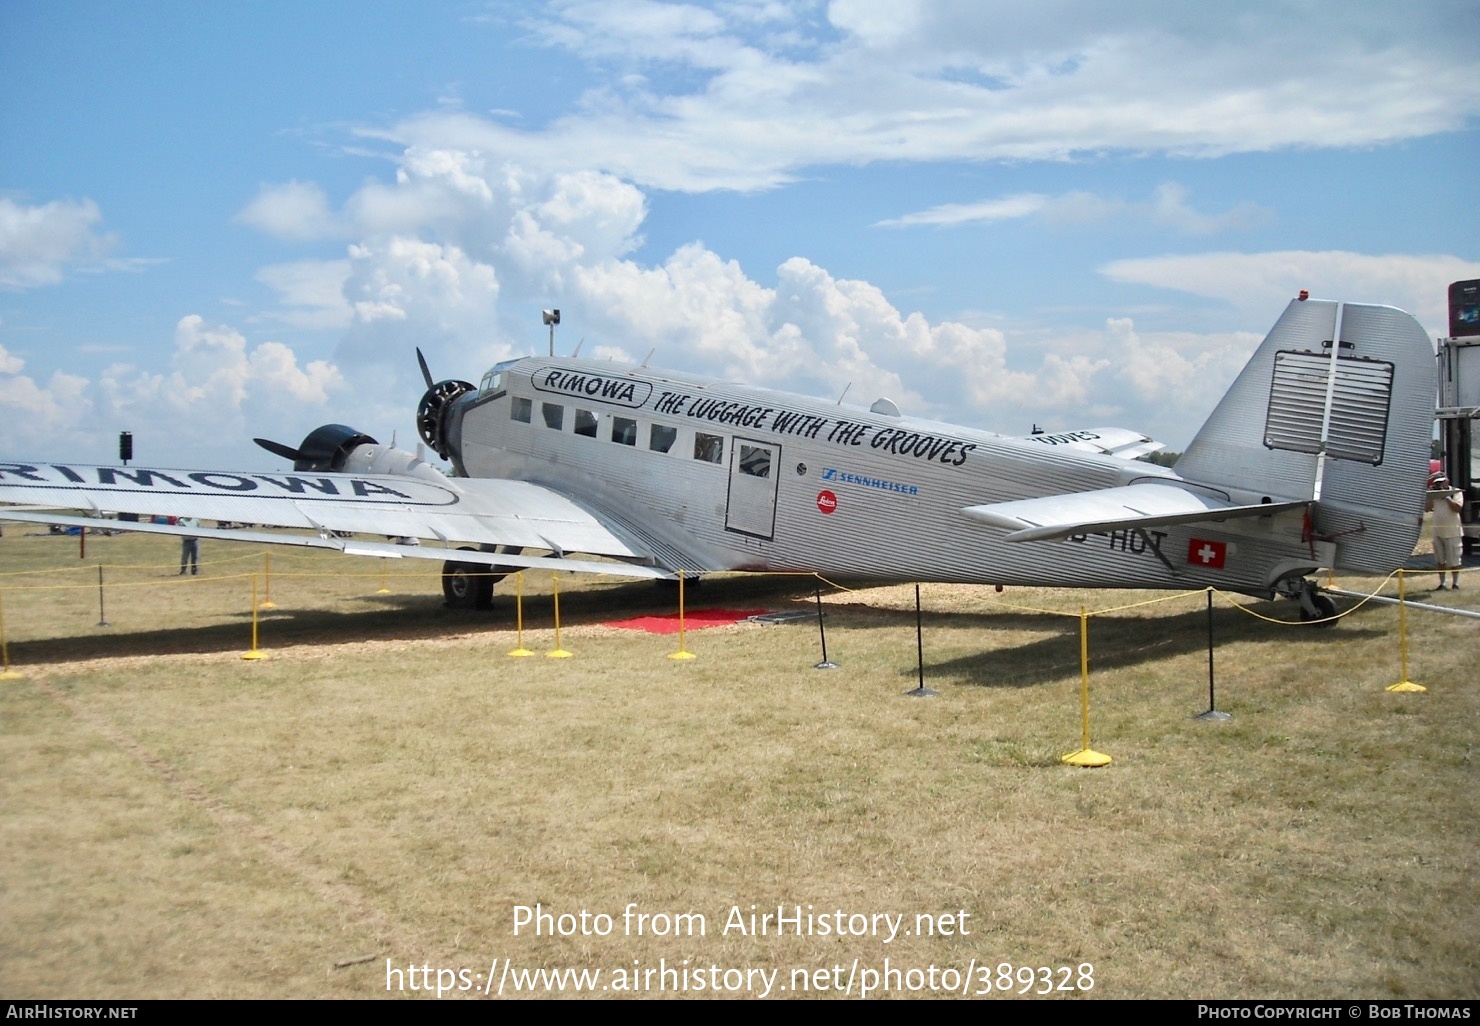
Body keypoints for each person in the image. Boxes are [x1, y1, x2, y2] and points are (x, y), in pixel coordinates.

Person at [1426, 475, 1463, 589]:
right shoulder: (1435, 494)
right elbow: (1427, 509)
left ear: (1447, 481)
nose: (1440, 485)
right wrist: (1431, 495)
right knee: (1440, 560)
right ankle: (1442, 583)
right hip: (1438, 532)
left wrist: (1446, 496)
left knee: (1454, 560)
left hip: (1452, 532)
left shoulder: (1455, 492)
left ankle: (1455, 583)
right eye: (1438, 483)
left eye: (1442, 482)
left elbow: (1457, 508)